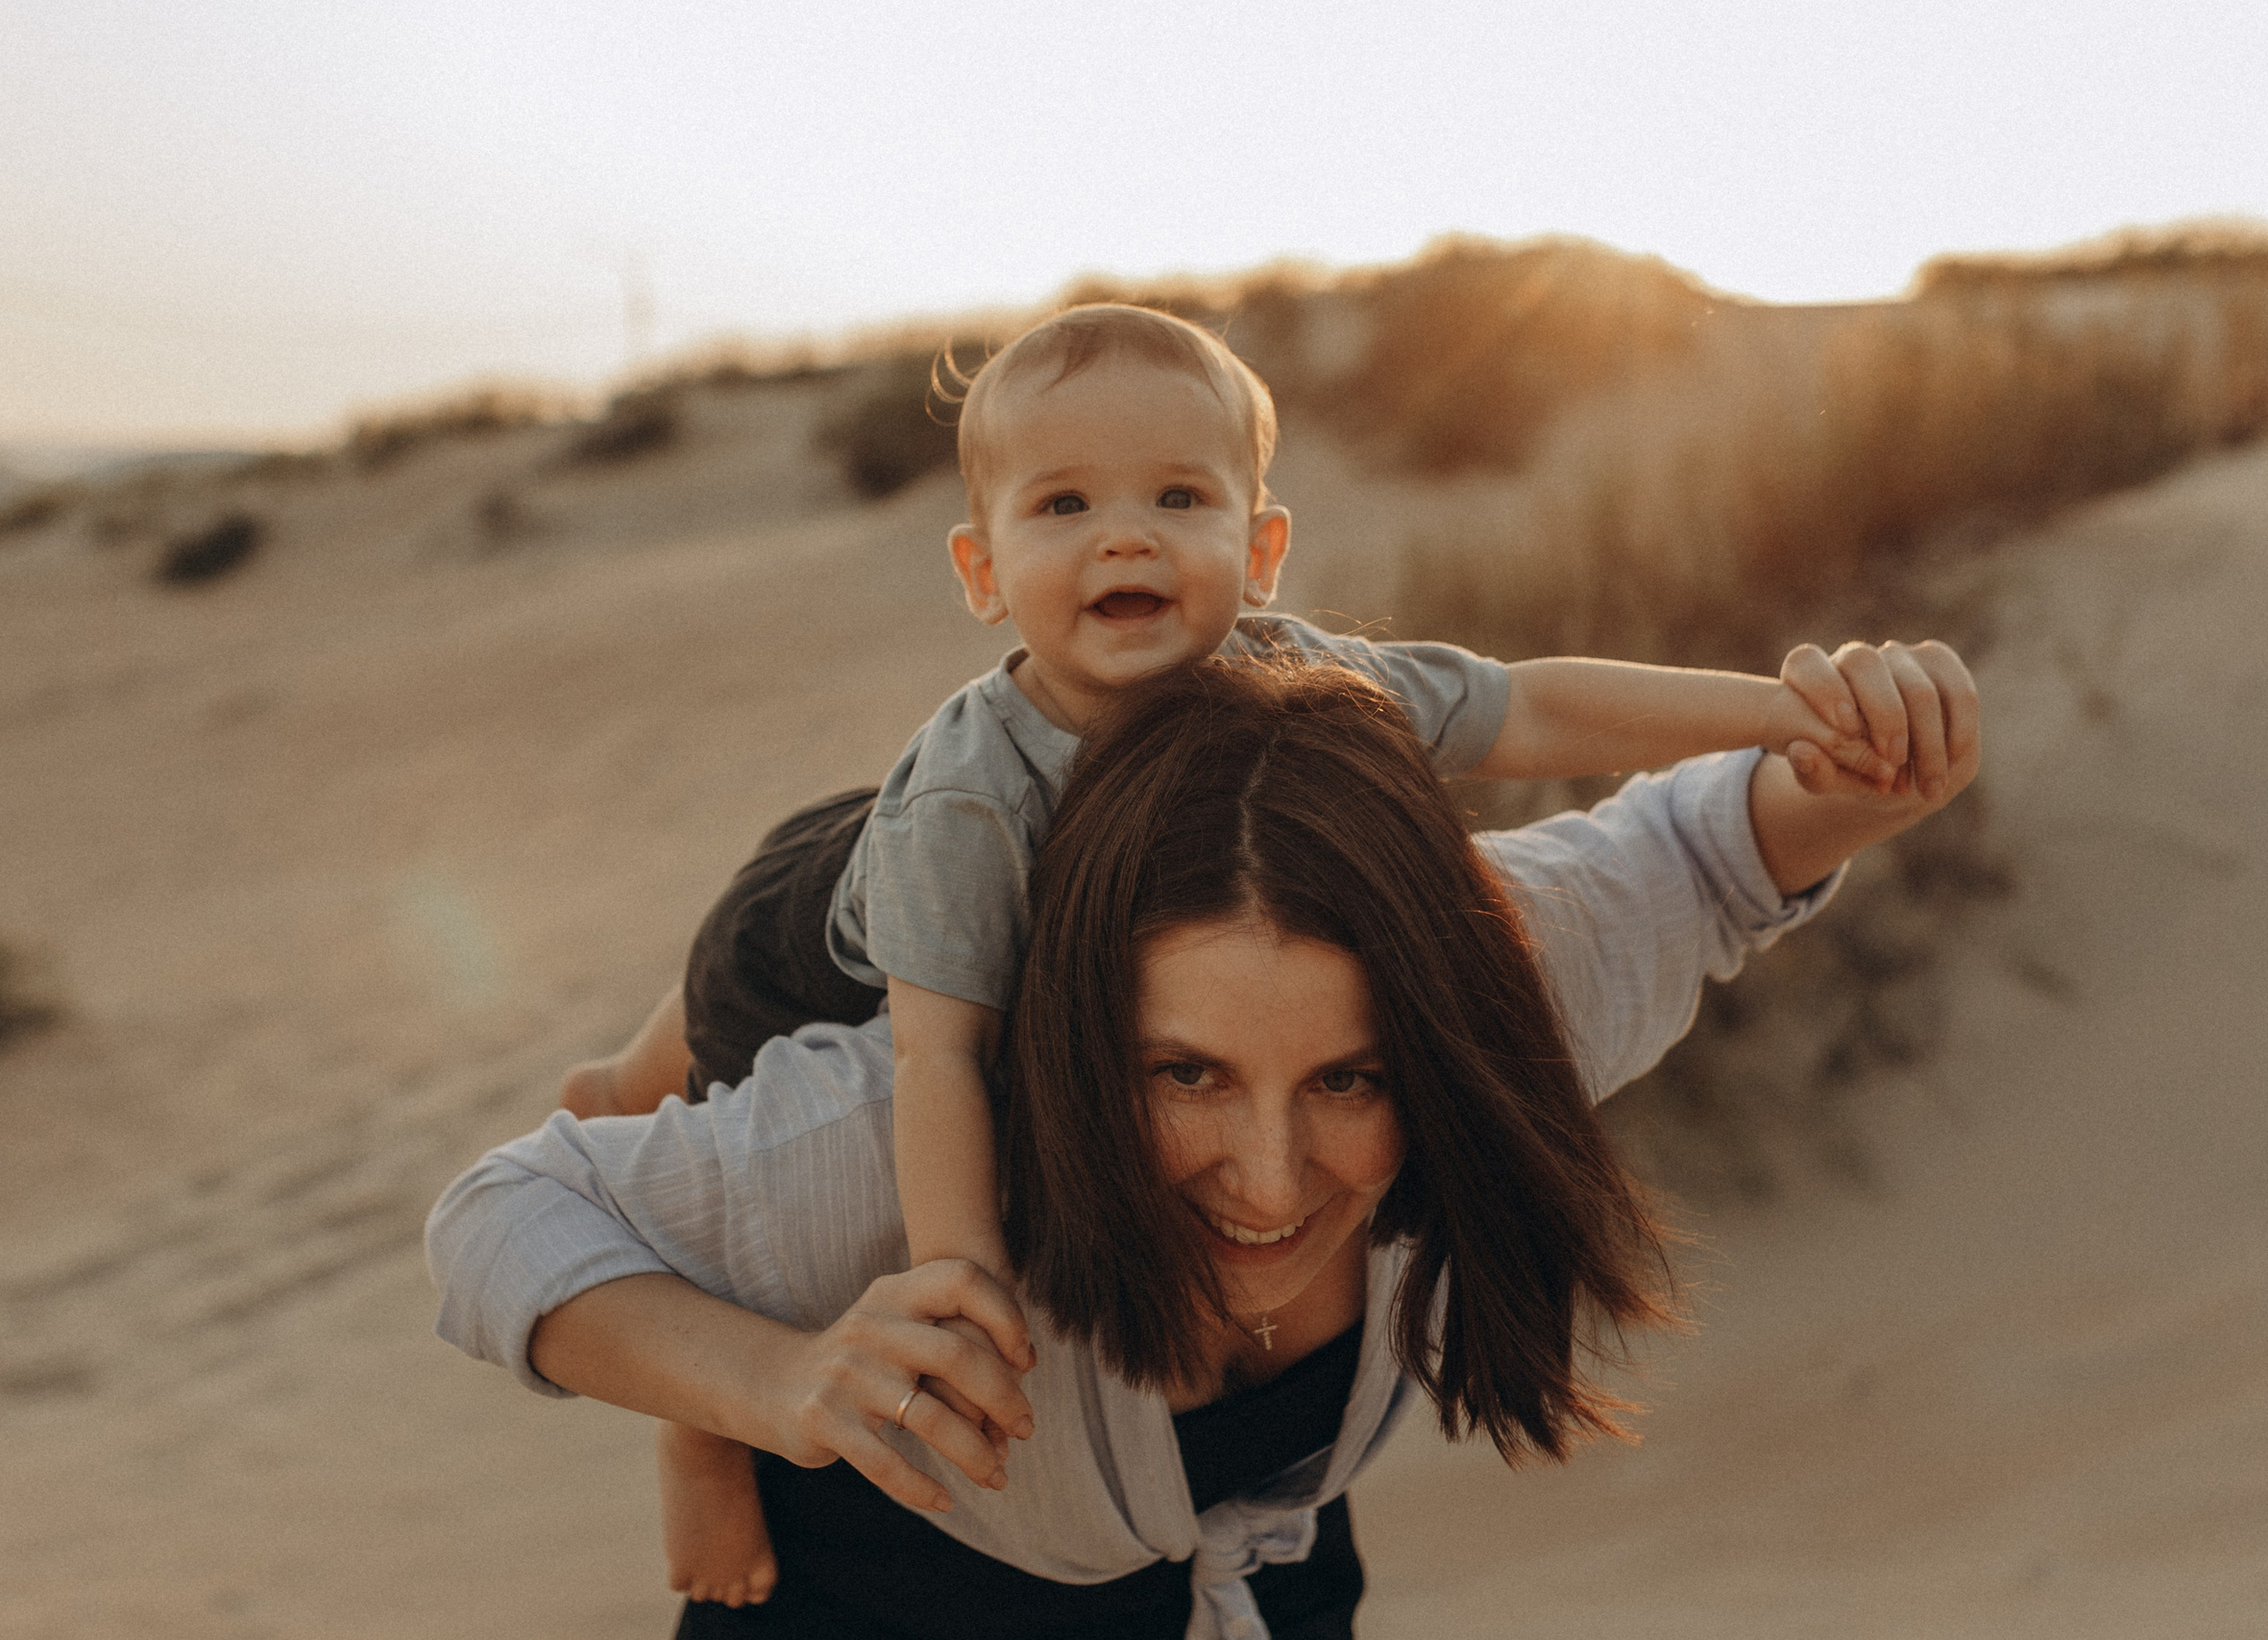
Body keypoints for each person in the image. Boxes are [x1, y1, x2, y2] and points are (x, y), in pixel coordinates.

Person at [557, 303, 1912, 1605]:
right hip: (817, 937)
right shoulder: (974, 807)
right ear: (982, 573)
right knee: (705, 1134)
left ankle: (621, 1081)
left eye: (1179, 500)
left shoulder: (1304, 675)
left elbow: (1535, 703)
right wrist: (959, 1278)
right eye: (1064, 505)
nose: (1124, 540)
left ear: (1261, 550)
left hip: (885, 863)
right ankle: (685, 1405)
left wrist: (1783, 716)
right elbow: (936, 1058)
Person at [432, 645, 1979, 1638]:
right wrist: (764, 1385)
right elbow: (505, 1219)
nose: (1268, 1176)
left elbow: (1714, 844)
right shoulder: (901, 1119)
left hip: (1255, 1588)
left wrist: (1875, 757)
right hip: (880, 1597)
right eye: (1184, 1075)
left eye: (1350, 1083)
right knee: (670, 1081)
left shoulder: (1498, 992)